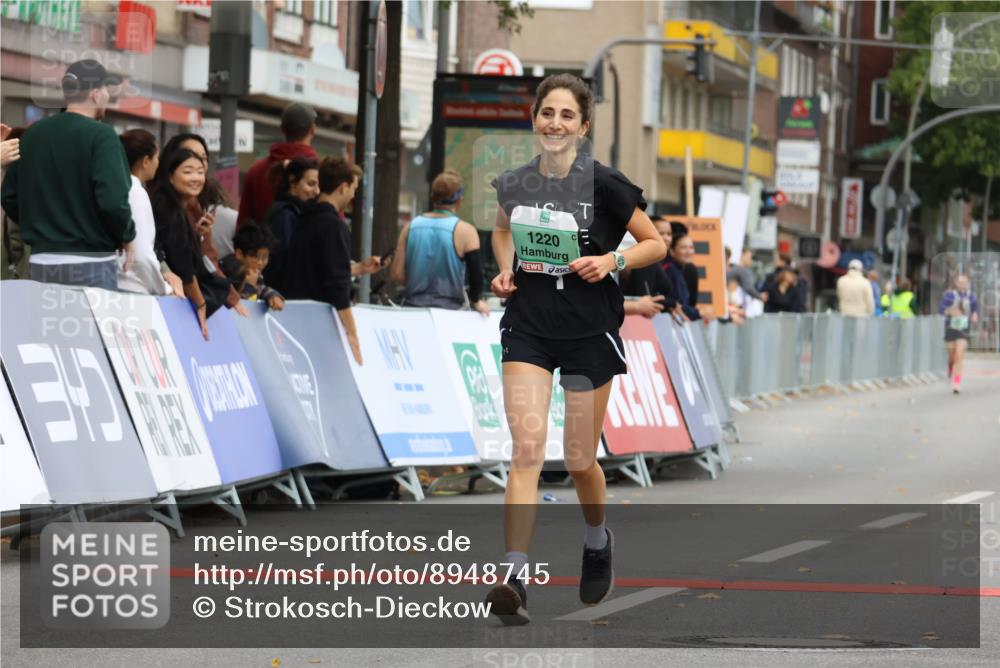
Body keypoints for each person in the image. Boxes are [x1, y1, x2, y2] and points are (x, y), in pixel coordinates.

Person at [486, 73, 666, 625]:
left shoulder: (606, 184)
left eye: (567, 116)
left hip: (589, 329)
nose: (556, 124)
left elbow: (654, 243)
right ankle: (514, 573)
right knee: (526, 449)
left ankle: (596, 538)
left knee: (582, 458)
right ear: (535, 120)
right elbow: (501, 230)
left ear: (583, 127)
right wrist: (504, 270)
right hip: (531, 325)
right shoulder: (516, 183)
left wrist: (611, 261)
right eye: (547, 114)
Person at [0, 59, 135, 289]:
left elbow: (9, 196)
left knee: (49, 325)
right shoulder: (103, 136)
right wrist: (127, 235)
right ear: (95, 94)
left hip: (42, 262)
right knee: (87, 325)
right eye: (105, 90)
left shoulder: (33, 135)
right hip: (92, 262)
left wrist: (42, 226)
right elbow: (113, 201)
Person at [282, 157, 372, 365]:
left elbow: (319, 267)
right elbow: (337, 283)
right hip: (320, 324)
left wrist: (356, 269)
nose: (353, 195)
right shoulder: (333, 226)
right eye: (353, 188)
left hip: (294, 314)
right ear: (342, 187)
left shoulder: (303, 217)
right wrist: (352, 334)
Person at [150, 148, 245, 340]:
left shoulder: (183, 209)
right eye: (187, 172)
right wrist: (201, 305)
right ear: (170, 175)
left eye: (200, 172)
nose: (196, 178)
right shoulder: (166, 208)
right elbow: (183, 265)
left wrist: (198, 234)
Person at [389, 169, 489, 314]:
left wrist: (418, 284)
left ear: (432, 197)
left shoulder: (410, 227)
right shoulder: (466, 231)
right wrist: (476, 301)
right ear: (459, 199)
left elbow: (397, 273)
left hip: (413, 310)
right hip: (451, 312)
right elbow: (476, 277)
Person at [117, 129, 183, 296]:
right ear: (146, 161)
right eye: (157, 158)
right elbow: (142, 253)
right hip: (133, 287)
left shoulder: (119, 188)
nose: (158, 163)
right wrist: (165, 289)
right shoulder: (136, 193)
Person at [237, 103, 318, 229]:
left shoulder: (256, 170)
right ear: (313, 129)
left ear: (282, 129)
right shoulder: (323, 172)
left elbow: (243, 224)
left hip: (262, 247)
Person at [260, 156, 319, 293]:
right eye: (311, 184)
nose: (317, 191)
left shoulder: (289, 211)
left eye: (318, 185)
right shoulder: (285, 215)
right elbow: (285, 260)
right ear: (293, 182)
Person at [219, 223, 285, 310]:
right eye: (255, 257)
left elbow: (260, 287)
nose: (260, 262)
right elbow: (236, 308)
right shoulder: (228, 271)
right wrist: (249, 286)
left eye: (265, 257)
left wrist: (272, 295)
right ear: (239, 254)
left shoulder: (253, 272)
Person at [938, 274, 979, 394]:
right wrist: (951, 312)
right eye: (961, 282)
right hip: (951, 328)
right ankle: (950, 367)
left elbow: (976, 308)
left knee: (959, 355)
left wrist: (975, 315)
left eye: (965, 282)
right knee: (952, 356)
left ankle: (956, 383)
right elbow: (941, 310)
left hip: (963, 328)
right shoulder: (950, 295)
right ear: (956, 283)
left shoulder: (971, 296)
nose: (963, 284)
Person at [658, 220, 703, 321]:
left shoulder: (682, 270)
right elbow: (675, 304)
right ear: (672, 251)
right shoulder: (669, 270)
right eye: (683, 247)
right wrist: (699, 312)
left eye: (691, 247)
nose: (688, 251)